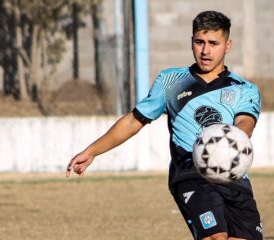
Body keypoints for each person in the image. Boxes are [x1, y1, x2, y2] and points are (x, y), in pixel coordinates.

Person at [66, 10, 263, 240]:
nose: (206, 50)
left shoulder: (244, 88)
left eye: (213, 43)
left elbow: (245, 122)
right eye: (199, 42)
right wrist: (91, 151)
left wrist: (229, 141)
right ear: (192, 42)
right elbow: (133, 121)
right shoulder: (171, 81)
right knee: (215, 236)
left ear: (227, 46)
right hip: (191, 172)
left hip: (233, 175)